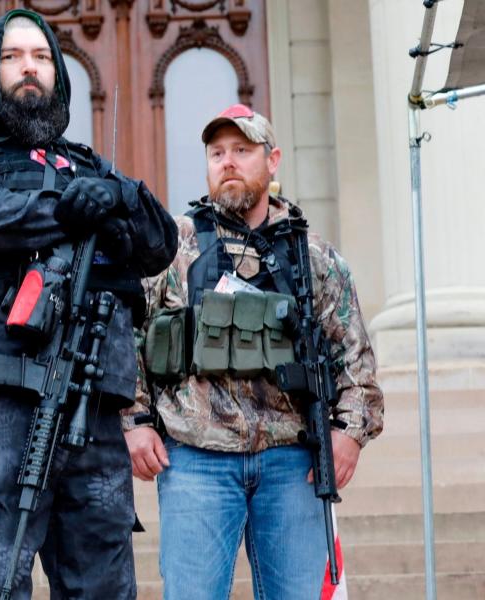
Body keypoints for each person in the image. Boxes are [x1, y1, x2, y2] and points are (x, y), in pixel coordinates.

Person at [0, 9, 177, 599]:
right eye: (12, 57)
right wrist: (64, 210)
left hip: (91, 401)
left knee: (102, 578)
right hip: (2, 389)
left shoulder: (87, 164)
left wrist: (117, 194)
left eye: (40, 57)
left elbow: (159, 244)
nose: (29, 69)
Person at [124, 104, 384, 600]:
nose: (227, 162)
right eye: (217, 152)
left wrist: (348, 433)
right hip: (195, 460)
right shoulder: (173, 247)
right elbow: (128, 338)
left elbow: (355, 360)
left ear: (273, 160)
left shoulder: (314, 257)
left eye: (242, 151)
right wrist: (133, 423)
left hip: (292, 462)